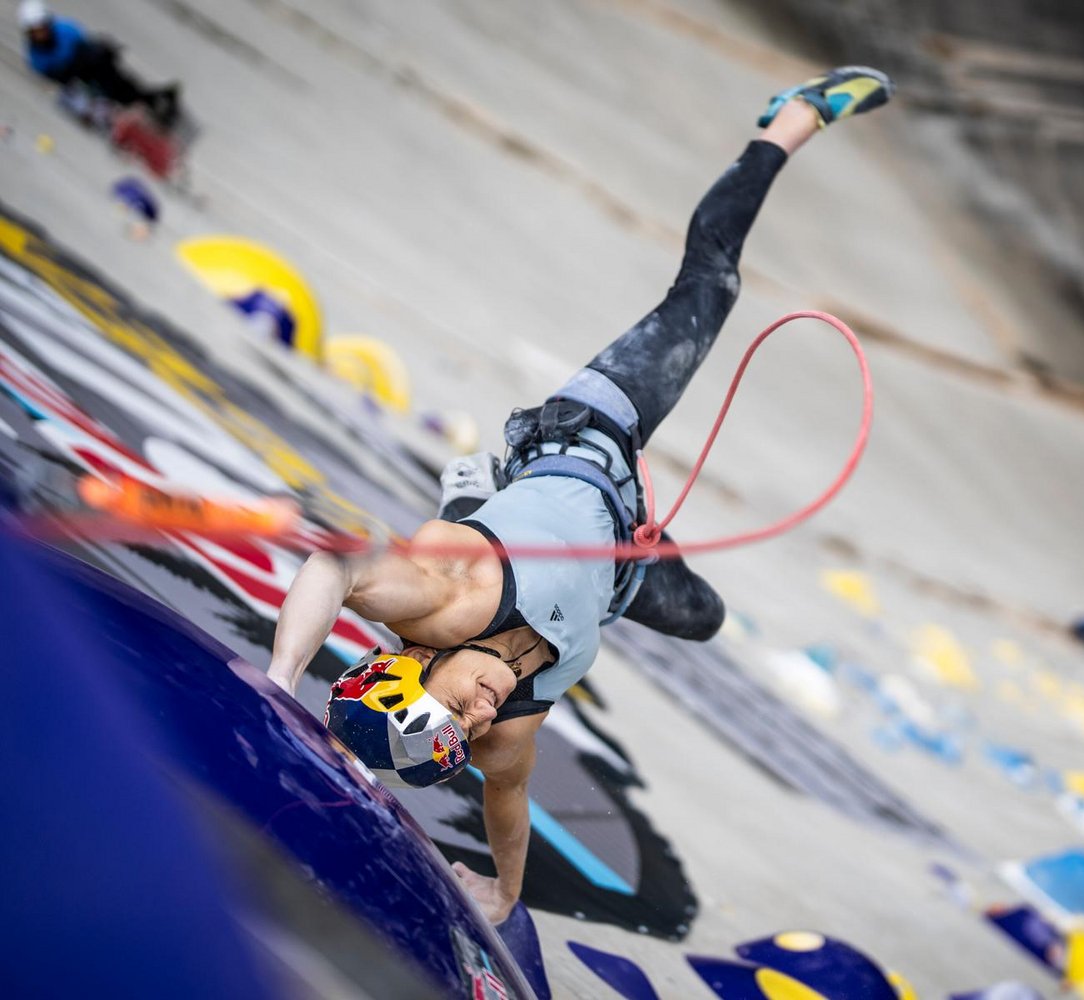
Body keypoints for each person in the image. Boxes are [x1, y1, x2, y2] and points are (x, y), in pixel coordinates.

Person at [268, 66, 893, 922]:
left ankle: (791, 120)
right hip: (618, 564)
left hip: (590, 434)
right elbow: (506, 803)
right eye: (465, 733)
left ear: (420, 661)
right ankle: (489, 500)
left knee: (710, 284)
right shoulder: (503, 733)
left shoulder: (442, 596)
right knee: (704, 618)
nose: (479, 714)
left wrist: (282, 678)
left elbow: (335, 564)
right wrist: (503, 892)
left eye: (456, 706)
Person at [18, 1, 179, 129]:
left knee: (118, 80)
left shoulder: (66, 29)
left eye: (42, 28)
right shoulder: (36, 59)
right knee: (87, 102)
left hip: (94, 67)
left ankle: (150, 101)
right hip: (77, 82)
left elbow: (87, 46)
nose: (40, 34)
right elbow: (59, 81)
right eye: (35, 31)